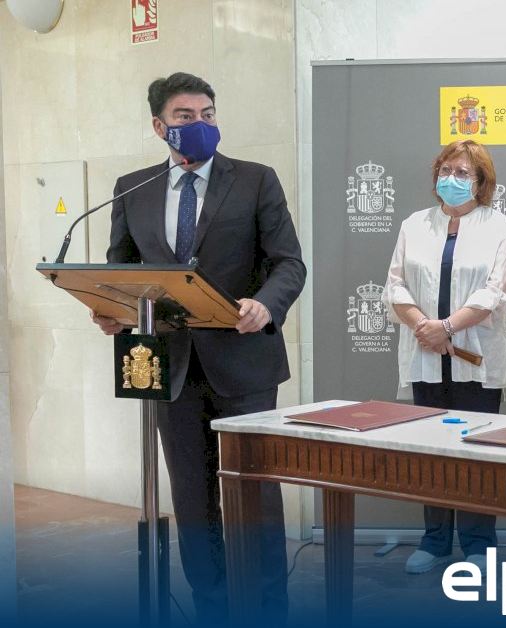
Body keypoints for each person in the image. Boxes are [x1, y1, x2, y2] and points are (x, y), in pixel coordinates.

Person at [92, 72, 305, 625]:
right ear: (159, 126)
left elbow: (289, 262)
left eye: (207, 114)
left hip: (244, 362)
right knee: (192, 500)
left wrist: (265, 305)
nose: (200, 124)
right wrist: (112, 311)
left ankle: (267, 612)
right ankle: (211, 609)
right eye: (185, 117)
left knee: (254, 498)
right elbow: (120, 269)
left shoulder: (255, 180)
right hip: (170, 366)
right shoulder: (132, 188)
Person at [383, 139, 506, 575]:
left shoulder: (498, 226)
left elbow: (494, 293)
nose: (452, 179)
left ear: (481, 182)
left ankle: (479, 544)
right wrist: (425, 326)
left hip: (475, 359)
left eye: (463, 173)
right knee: (432, 454)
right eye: (446, 170)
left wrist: (447, 327)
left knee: (477, 454)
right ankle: (435, 540)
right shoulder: (414, 224)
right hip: (426, 356)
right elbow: (395, 286)